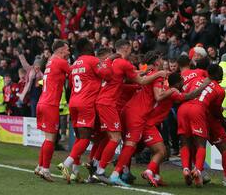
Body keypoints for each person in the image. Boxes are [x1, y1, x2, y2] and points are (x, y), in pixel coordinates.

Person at [93, 40, 168, 183]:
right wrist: (169, 88)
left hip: (125, 109)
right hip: (135, 114)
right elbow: (147, 86)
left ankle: (108, 168)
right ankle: (106, 171)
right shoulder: (155, 74)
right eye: (161, 60)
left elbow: (135, 77)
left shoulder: (114, 62)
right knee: (124, 142)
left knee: (119, 141)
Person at [57, 39, 113, 184]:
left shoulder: (75, 63)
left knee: (79, 138)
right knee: (86, 139)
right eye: (90, 44)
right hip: (86, 103)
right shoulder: (92, 60)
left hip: (74, 102)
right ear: (87, 47)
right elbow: (107, 75)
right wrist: (108, 61)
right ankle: (66, 164)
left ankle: (75, 172)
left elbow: (69, 86)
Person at [34, 40, 71, 182]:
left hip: (42, 102)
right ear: (61, 50)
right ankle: (45, 169)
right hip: (50, 105)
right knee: (51, 139)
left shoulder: (50, 61)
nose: (69, 51)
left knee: (47, 138)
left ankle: (39, 166)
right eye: (67, 49)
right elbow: (74, 72)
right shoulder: (60, 61)